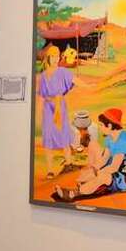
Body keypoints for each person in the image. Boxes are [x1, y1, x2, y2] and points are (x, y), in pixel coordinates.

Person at [54, 108, 126, 202]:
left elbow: (114, 167)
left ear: (109, 126)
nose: (100, 127)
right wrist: (93, 170)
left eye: (101, 125)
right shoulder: (110, 138)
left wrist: (97, 174)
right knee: (90, 170)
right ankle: (95, 186)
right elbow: (104, 159)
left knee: (102, 176)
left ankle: (73, 194)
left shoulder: (123, 141)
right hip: (115, 173)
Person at [38, 45, 75, 178]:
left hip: (60, 106)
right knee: (48, 136)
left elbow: (75, 81)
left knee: (63, 133)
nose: (55, 59)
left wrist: (92, 86)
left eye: (57, 56)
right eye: (53, 56)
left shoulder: (63, 72)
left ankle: (69, 164)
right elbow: (42, 95)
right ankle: (50, 170)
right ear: (48, 58)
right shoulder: (43, 75)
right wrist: (40, 111)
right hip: (48, 108)